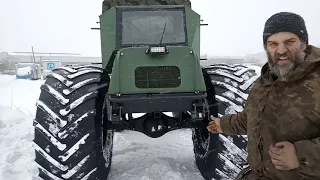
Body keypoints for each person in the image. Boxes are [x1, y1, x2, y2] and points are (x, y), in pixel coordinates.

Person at [207, 12, 320, 180]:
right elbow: (251, 118)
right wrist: (222, 124)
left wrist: (302, 155)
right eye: (273, 44)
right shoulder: (264, 81)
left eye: (289, 42)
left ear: (304, 43)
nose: (281, 50)